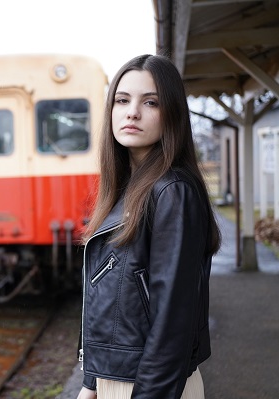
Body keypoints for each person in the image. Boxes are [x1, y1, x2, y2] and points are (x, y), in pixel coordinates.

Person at [76, 54, 221, 399]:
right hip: (120, 381)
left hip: (151, 386)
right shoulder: (128, 189)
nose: (132, 112)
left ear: (171, 113)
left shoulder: (173, 191)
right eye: (122, 100)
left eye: (150, 102)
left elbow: (173, 323)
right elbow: (112, 303)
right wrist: (92, 383)